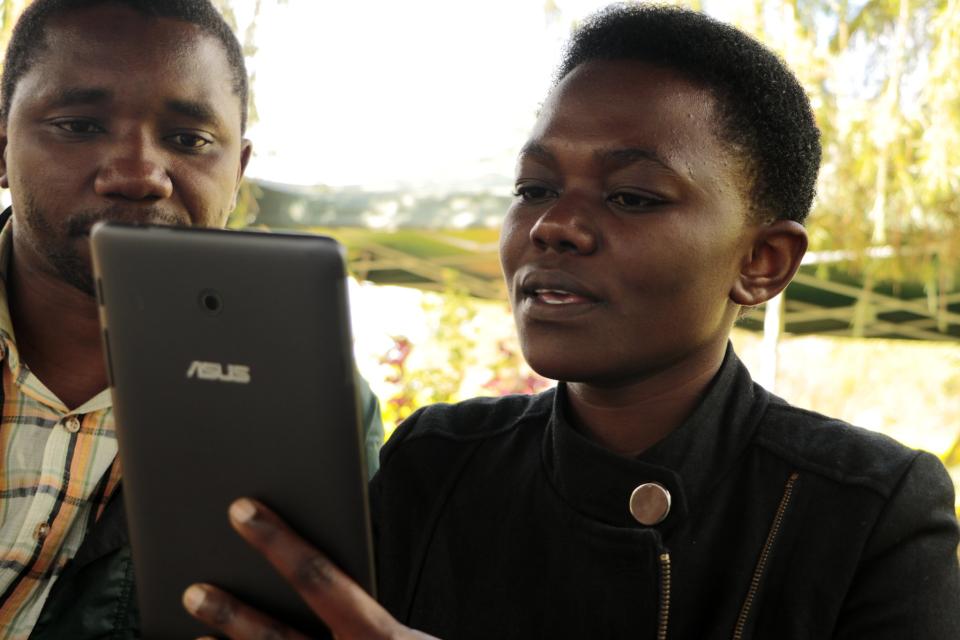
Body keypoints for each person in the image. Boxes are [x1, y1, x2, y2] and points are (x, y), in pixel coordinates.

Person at [184, 4, 960, 640]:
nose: (554, 225)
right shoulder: (435, 464)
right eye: (534, 188)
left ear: (762, 261)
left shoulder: (869, 512)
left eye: (632, 197)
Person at [0, 1, 383, 638]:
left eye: (189, 140)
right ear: (3, 145)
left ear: (238, 171)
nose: (138, 175)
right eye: (79, 125)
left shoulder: (312, 404)